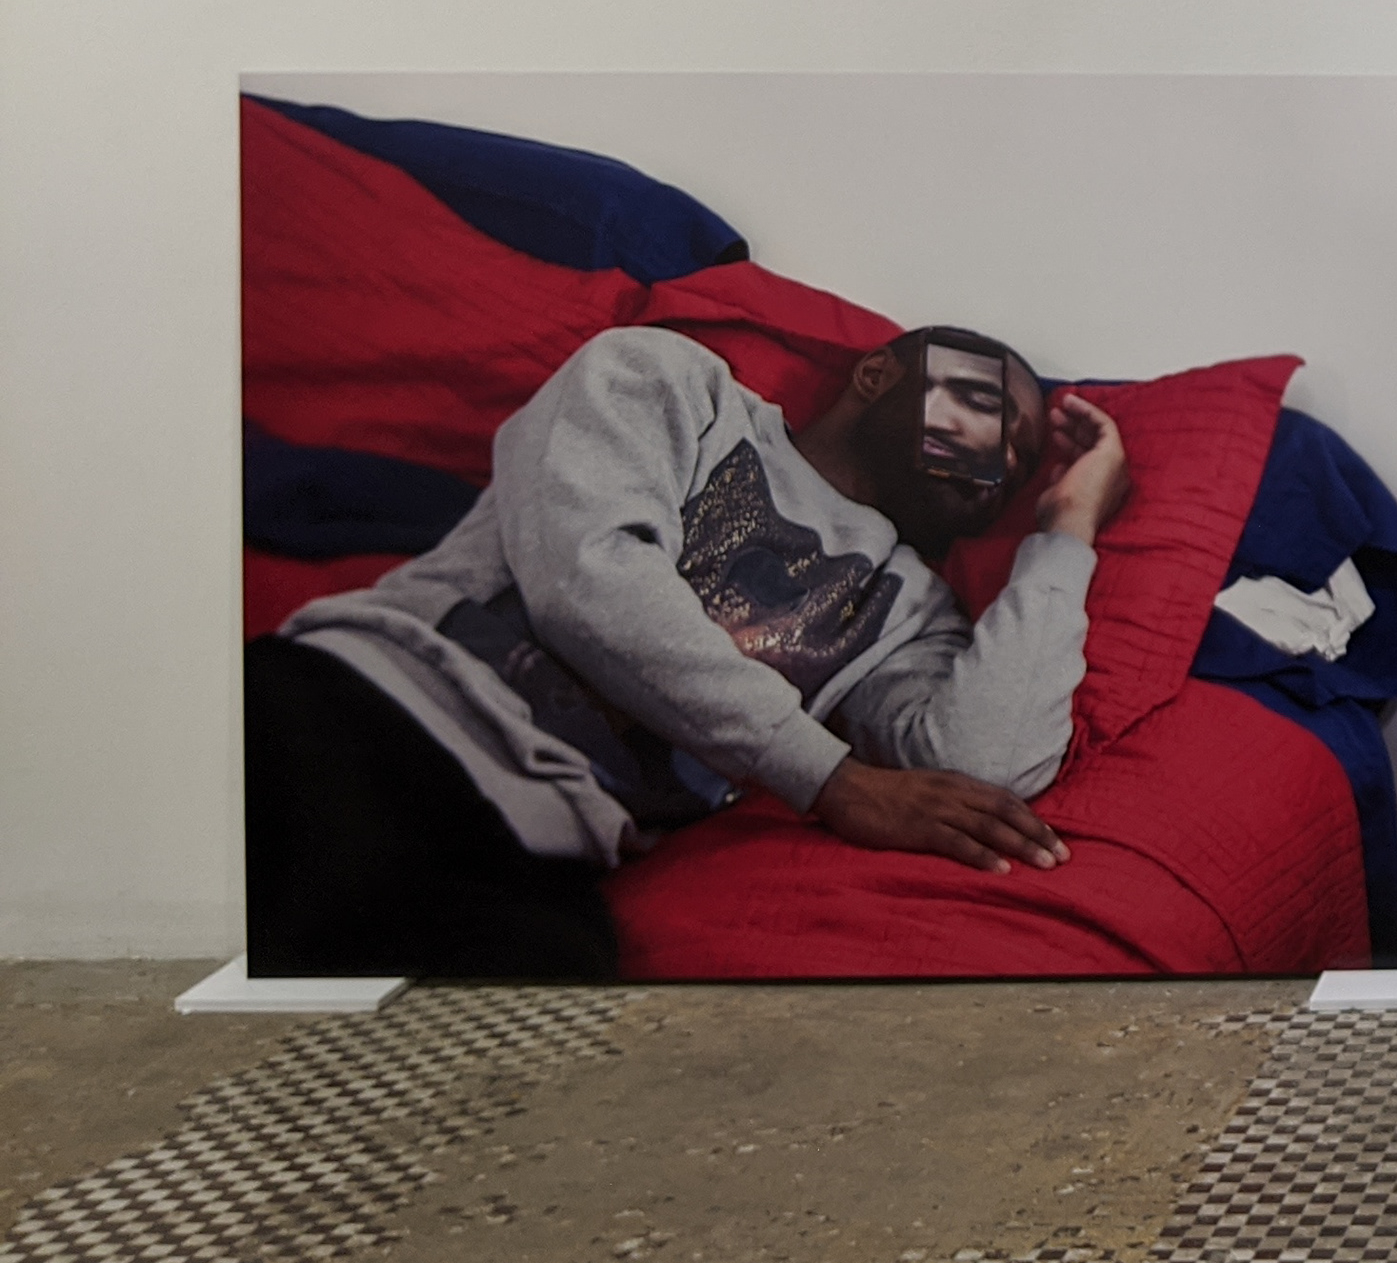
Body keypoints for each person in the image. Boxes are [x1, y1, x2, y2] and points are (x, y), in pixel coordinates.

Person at [247, 322, 1133, 980]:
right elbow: (586, 577)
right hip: (368, 708)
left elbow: (983, 766)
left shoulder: (909, 612)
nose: (1001, 456)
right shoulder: (669, 380)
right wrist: (831, 780)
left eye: (1020, 459)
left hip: (531, 850)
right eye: (987, 406)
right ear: (876, 375)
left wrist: (1066, 533)